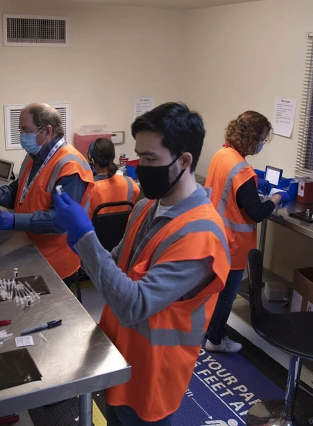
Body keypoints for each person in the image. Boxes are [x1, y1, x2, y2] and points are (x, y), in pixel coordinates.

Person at [52, 102, 231, 425]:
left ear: (184, 161)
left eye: (150, 159)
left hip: (153, 374)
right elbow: (115, 265)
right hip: (117, 356)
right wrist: (82, 244)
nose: (140, 166)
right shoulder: (147, 206)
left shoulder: (201, 236)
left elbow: (135, 305)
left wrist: (84, 236)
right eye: (138, 155)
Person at [0, 103, 94, 280]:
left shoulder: (70, 165)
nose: (22, 137)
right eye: (20, 131)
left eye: (26, 131)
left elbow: (60, 221)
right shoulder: (34, 156)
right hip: (29, 247)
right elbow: (20, 193)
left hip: (55, 260)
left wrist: (14, 220)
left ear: (47, 131)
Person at [204, 111, 290, 353]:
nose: (262, 143)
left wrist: (254, 183)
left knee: (214, 290)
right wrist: (275, 198)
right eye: (262, 138)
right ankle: (216, 339)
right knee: (226, 295)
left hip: (215, 235)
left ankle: (208, 331)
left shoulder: (222, 154)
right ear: (252, 138)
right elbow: (256, 213)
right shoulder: (241, 169)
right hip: (232, 243)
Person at [87, 137, 140, 217]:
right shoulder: (130, 184)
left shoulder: (88, 188)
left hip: (95, 229)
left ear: (92, 161)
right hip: (124, 229)